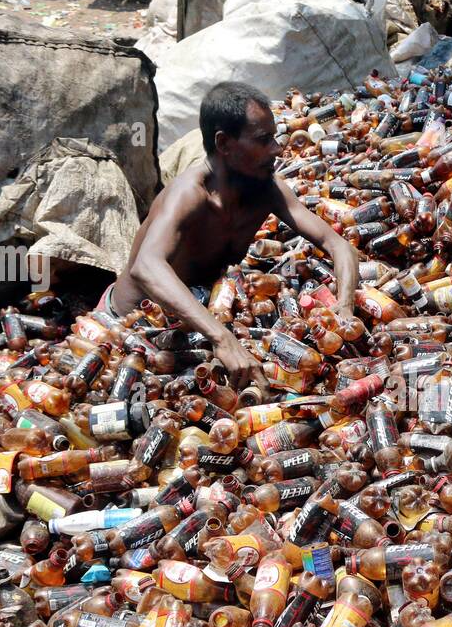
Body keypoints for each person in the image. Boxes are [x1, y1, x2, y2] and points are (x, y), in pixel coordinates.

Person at [103, 81, 360, 393]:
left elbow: (339, 245)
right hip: (132, 324)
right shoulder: (190, 194)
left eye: (274, 137)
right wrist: (222, 339)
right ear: (224, 144)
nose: (277, 149)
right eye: (263, 140)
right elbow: (146, 266)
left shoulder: (265, 188)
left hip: (198, 313)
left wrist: (344, 307)